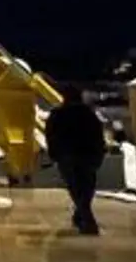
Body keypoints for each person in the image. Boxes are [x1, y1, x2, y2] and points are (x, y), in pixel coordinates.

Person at [44, 87, 108, 235]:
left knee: (75, 187)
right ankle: (83, 215)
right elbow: (98, 134)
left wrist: (54, 153)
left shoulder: (58, 114)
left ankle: (85, 217)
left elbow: (51, 135)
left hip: (67, 155)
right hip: (88, 155)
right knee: (87, 187)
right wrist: (100, 152)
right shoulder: (89, 114)